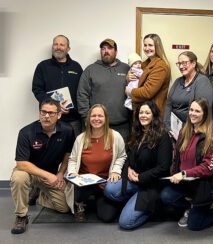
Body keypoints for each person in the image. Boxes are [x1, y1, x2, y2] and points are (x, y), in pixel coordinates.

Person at [104, 101, 172, 229]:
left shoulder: (163, 136)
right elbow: (129, 156)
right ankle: (134, 202)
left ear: (154, 115)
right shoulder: (138, 133)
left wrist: (140, 177)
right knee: (109, 189)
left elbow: (164, 167)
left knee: (125, 223)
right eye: (141, 112)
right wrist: (129, 168)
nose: (143, 115)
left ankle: (153, 209)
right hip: (135, 182)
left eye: (147, 113)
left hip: (151, 185)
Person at [10, 98, 75, 234]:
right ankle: (21, 216)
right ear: (39, 113)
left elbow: (68, 154)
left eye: (51, 113)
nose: (46, 116)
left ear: (59, 115)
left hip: (51, 175)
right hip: (30, 172)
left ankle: (40, 195)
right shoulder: (26, 132)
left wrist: (60, 174)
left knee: (64, 208)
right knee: (18, 178)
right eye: (43, 112)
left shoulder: (67, 130)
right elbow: (21, 163)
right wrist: (48, 175)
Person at [161, 98, 213, 231]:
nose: (193, 113)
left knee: (194, 225)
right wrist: (174, 174)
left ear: (205, 114)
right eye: (191, 110)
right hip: (185, 182)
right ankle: (190, 207)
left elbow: (208, 168)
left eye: (197, 111)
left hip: (203, 185)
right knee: (166, 196)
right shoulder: (184, 131)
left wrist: (185, 173)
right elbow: (177, 158)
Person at [65, 104, 127, 222]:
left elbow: (121, 156)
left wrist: (115, 170)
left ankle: (101, 199)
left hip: (104, 182)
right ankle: (80, 204)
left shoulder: (115, 136)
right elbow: (73, 159)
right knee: (79, 192)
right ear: (88, 119)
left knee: (107, 216)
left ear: (106, 118)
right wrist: (72, 172)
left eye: (100, 116)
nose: (96, 119)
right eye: (93, 116)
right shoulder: (81, 138)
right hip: (84, 182)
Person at [77, 38, 130, 141]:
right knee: (97, 156)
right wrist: (86, 118)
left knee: (121, 156)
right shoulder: (90, 70)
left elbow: (134, 92)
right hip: (97, 126)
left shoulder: (126, 69)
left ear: (116, 51)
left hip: (122, 126)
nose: (106, 51)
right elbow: (82, 95)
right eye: (103, 48)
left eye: (110, 48)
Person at [32, 34, 83, 137]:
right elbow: (37, 90)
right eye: (55, 44)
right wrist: (55, 105)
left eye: (62, 45)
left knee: (74, 151)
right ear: (52, 47)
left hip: (73, 120)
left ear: (68, 48)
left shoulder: (76, 67)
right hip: (50, 119)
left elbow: (82, 91)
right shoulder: (43, 66)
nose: (58, 47)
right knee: (51, 151)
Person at [164, 51, 213, 137]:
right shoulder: (178, 81)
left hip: (191, 130)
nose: (181, 66)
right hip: (174, 130)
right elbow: (168, 104)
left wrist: (185, 130)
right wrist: (167, 126)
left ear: (193, 63)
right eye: (179, 63)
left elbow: (201, 111)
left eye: (184, 63)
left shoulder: (202, 82)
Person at [125, 34, 170, 118]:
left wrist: (130, 92)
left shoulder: (160, 66)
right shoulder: (144, 64)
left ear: (157, 46)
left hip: (153, 113)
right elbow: (137, 81)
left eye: (150, 45)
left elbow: (147, 92)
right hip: (143, 112)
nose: (147, 48)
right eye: (145, 45)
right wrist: (128, 78)